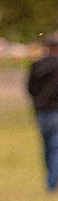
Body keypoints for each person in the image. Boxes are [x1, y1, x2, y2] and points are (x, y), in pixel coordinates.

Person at [27, 34, 58, 192]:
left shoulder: (37, 65)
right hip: (55, 111)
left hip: (41, 111)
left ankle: (50, 179)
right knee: (55, 147)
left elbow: (30, 88)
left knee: (47, 147)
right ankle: (53, 181)